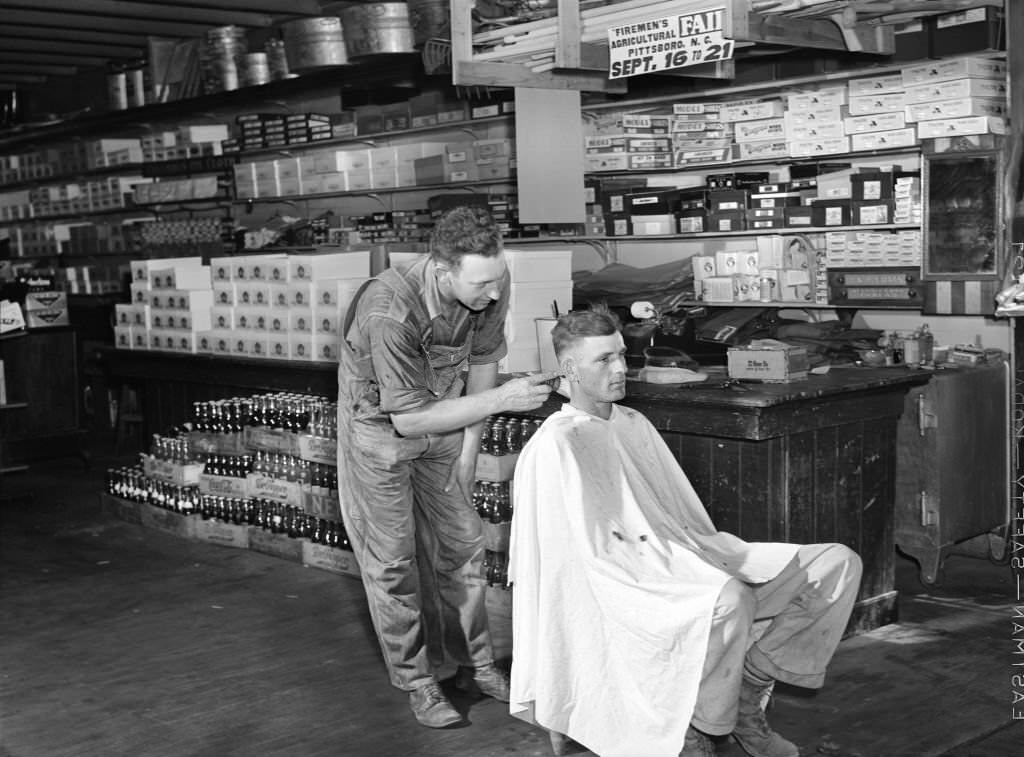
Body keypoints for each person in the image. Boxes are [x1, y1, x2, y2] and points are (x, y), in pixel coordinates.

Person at [508, 306, 862, 757]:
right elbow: (563, 567)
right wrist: (668, 573)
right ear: (570, 370)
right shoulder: (556, 444)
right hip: (624, 586)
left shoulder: (633, 423)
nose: (620, 368)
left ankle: (747, 692)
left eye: (621, 355)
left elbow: (682, 517)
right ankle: (699, 730)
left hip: (685, 556)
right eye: (604, 360)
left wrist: (699, 561)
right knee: (729, 599)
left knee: (837, 565)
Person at [336, 205, 558, 728]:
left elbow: (482, 361)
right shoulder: (389, 310)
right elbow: (409, 420)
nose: (495, 294)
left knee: (463, 546)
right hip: (381, 435)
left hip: (447, 420)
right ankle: (418, 681)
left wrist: (468, 449)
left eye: (498, 279)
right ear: (442, 271)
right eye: (482, 284)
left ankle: (475, 665)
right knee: (393, 562)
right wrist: (502, 400)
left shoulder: (489, 283)